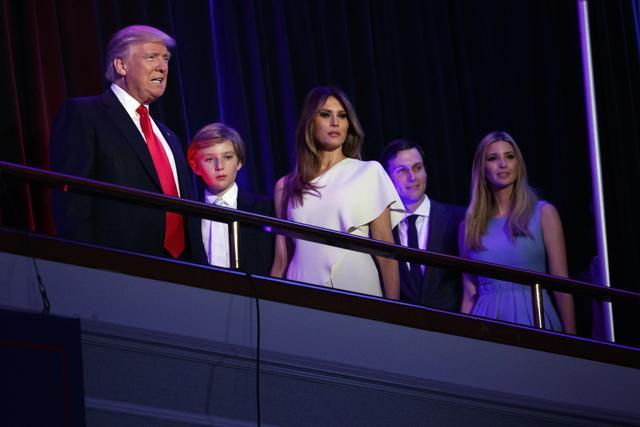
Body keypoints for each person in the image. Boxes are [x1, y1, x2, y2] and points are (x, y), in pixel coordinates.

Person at [49, 25, 206, 263]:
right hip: (118, 269)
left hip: (181, 272)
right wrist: (84, 265)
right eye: (151, 57)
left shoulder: (169, 136)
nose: (162, 67)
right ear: (121, 65)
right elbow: (73, 204)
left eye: (165, 59)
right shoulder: (84, 115)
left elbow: (188, 215)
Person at [270, 86, 403, 299]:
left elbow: (386, 251)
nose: (335, 123)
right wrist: (271, 308)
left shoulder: (368, 172)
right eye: (325, 115)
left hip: (355, 284)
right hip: (301, 285)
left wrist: (395, 312)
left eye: (342, 116)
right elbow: (281, 257)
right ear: (310, 122)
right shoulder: (285, 186)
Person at [459, 131, 576, 333]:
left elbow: (561, 282)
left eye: (509, 156)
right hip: (485, 325)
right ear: (482, 168)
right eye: (493, 158)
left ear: (518, 163)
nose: (503, 164)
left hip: (535, 317)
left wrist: (573, 338)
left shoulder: (544, 213)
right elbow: (469, 292)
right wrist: (459, 340)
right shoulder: (469, 225)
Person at [381, 139, 465, 310]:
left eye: (418, 168)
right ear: (387, 178)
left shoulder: (458, 219)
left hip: (452, 329)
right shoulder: (380, 228)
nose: (412, 177)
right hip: (404, 329)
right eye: (402, 171)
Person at [188, 122, 274, 275]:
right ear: (195, 167)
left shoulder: (265, 209)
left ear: (239, 161)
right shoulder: (189, 213)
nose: (219, 166)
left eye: (227, 157)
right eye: (209, 159)